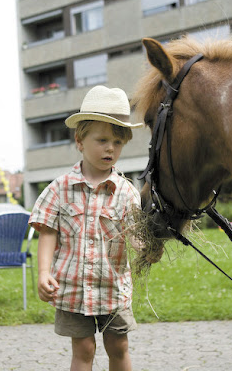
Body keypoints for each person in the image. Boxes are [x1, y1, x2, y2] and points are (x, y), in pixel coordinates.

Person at [29, 85, 143, 371]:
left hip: (112, 288)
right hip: (72, 288)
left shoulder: (127, 192)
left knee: (119, 346)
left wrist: (148, 248)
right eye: (102, 139)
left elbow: (136, 236)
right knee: (83, 348)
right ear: (80, 140)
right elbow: (47, 231)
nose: (110, 148)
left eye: (118, 142)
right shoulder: (60, 188)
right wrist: (44, 272)